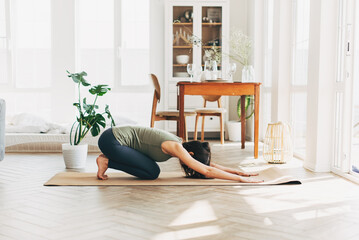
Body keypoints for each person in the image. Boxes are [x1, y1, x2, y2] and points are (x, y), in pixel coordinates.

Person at [96, 126, 261, 183]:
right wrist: (241, 180)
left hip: (116, 140)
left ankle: (108, 162)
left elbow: (208, 166)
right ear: (190, 153)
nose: (190, 165)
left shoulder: (181, 145)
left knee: (152, 172)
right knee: (152, 173)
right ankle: (107, 161)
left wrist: (238, 171)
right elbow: (207, 171)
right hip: (112, 141)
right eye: (192, 160)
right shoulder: (176, 147)